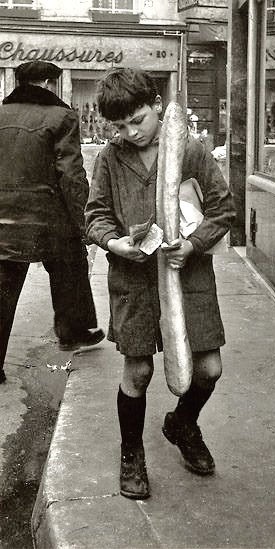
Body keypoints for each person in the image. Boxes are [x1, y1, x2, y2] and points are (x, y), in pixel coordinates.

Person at [85, 68, 235, 500]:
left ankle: (182, 423)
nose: (131, 132)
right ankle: (131, 454)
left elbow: (223, 209)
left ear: (156, 105)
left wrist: (193, 244)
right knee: (139, 370)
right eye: (120, 126)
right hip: (134, 281)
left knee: (208, 369)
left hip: (189, 278)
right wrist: (115, 243)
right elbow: (96, 215)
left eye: (138, 120)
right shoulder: (110, 159)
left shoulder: (191, 151)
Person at [0, 61, 105, 385]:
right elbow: (71, 176)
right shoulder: (62, 117)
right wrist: (84, 222)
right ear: (48, 83)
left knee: (3, 289)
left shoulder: (1, 114)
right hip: (48, 218)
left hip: (3, 218)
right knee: (70, 263)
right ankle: (72, 332)